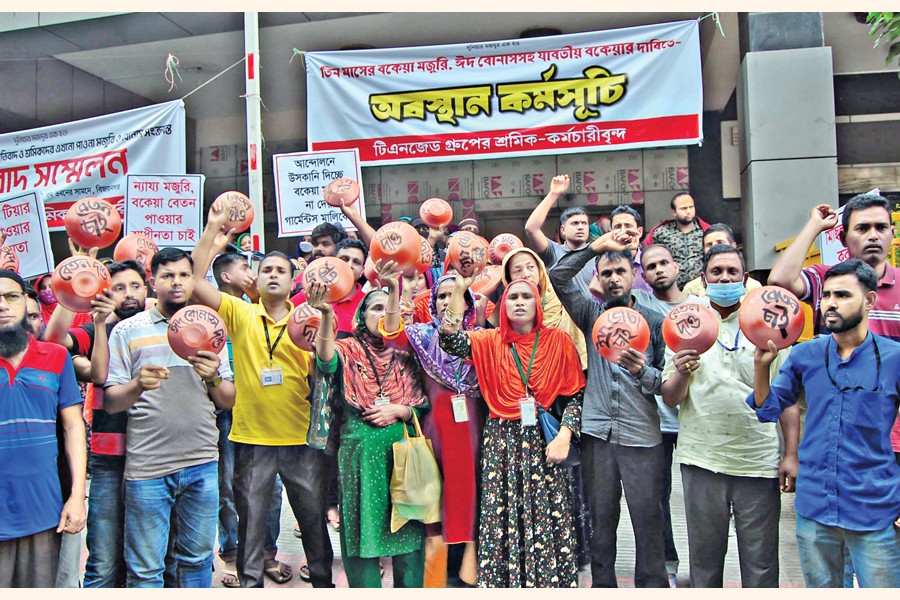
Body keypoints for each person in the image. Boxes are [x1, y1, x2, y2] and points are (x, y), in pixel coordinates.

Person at [190, 201, 334, 588]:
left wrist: (326, 314)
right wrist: (213, 230)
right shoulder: (240, 312)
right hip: (251, 440)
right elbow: (195, 280)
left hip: (301, 439)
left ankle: (324, 584)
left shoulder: (309, 316)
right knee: (251, 527)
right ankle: (251, 587)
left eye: (280, 270)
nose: (273, 275)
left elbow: (326, 359)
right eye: (266, 269)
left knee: (313, 524)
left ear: (293, 280)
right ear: (255, 277)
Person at [748, 259, 900, 587]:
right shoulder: (807, 355)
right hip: (815, 503)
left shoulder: (893, 358)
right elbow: (768, 409)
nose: (830, 303)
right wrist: (761, 368)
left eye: (842, 295)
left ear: (870, 301)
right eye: (827, 295)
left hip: (873, 506)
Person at [660, 244, 800, 588]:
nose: (725, 278)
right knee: (705, 567)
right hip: (701, 461)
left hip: (757, 461)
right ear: (704, 280)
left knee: (762, 565)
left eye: (732, 272)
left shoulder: (771, 323)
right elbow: (670, 397)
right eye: (717, 273)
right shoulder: (683, 325)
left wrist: (791, 455)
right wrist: (681, 372)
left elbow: (789, 401)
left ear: (745, 278)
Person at [439, 276, 586, 587]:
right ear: (503, 306)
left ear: (537, 303)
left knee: (546, 516)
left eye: (526, 296)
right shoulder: (488, 341)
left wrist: (565, 435)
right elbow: (449, 338)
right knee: (500, 517)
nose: (519, 302)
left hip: (544, 442)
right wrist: (460, 290)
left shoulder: (558, 341)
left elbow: (575, 396)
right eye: (512, 297)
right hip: (501, 441)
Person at [104, 248, 235, 588]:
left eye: (183, 275)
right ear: (153, 281)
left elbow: (228, 399)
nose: (176, 283)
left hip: (202, 463)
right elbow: (112, 402)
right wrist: (137, 385)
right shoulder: (127, 330)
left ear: (194, 280)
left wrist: (213, 377)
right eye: (167, 276)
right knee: (146, 570)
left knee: (197, 561)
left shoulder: (212, 328)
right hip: (147, 467)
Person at [548, 230, 669, 588]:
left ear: (634, 275)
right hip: (598, 435)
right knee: (601, 522)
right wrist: (593, 249)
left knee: (649, 521)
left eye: (620, 272)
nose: (614, 279)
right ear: (598, 279)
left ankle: (653, 588)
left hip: (642, 436)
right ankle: (603, 588)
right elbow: (558, 276)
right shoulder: (589, 313)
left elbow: (667, 382)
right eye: (606, 273)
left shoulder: (655, 322)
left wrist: (642, 371)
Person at [767, 192, 900, 510]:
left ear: (891, 234)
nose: (873, 235)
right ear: (843, 237)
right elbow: (781, 279)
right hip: (834, 437)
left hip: (891, 443)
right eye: (862, 228)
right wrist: (814, 225)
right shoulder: (829, 283)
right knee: (835, 540)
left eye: (881, 227)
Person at [307, 260, 429, 588]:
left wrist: (402, 411)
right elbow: (325, 361)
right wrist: (328, 316)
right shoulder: (347, 349)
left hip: (404, 456)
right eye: (373, 308)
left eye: (386, 307)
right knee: (361, 531)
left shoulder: (411, 354)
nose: (380, 314)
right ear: (361, 316)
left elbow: (426, 405)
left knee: (408, 532)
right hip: (360, 456)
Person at [389, 273, 484, 587]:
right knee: (433, 502)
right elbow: (391, 335)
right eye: (441, 296)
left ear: (467, 302)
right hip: (432, 429)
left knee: (468, 495)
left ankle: (468, 577)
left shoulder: (481, 339)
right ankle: (435, 580)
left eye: (455, 295)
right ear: (431, 302)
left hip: (471, 429)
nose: (447, 301)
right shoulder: (420, 335)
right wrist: (394, 290)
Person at [0, 269, 87, 588]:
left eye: (10, 297)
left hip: (44, 511)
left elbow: (73, 427)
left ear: (25, 303)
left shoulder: (56, 357)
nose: (2, 306)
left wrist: (77, 496)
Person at [211, 252, 291, 587]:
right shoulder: (215, 310)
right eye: (248, 269)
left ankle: (266, 553)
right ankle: (231, 553)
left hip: (265, 411)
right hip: (225, 408)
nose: (253, 274)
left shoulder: (258, 309)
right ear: (225, 276)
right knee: (230, 485)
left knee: (270, 489)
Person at [632, 243, 708, 586]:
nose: (659, 269)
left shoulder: (700, 308)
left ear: (677, 267)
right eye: (651, 266)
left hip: (695, 418)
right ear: (643, 276)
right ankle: (668, 565)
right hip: (657, 420)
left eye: (664, 263)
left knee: (701, 501)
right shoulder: (640, 305)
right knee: (657, 498)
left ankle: (704, 568)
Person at [525, 174, 594, 292]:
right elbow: (531, 228)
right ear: (563, 230)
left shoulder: (596, 255)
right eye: (575, 223)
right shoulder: (554, 252)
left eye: (584, 223)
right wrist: (553, 194)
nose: (580, 227)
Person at [291, 237, 368, 337]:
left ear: (362, 271)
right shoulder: (309, 294)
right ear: (333, 262)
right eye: (344, 259)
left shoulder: (367, 303)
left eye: (356, 262)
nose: (349, 265)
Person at [643, 192, 711, 290]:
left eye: (691, 207)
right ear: (674, 212)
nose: (688, 211)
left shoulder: (705, 231)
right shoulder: (662, 232)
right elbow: (647, 254)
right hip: (671, 290)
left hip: (701, 289)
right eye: (683, 208)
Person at [682, 223, 762, 298]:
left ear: (733, 246)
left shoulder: (753, 288)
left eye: (720, 243)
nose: (714, 247)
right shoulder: (691, 289)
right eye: (709, 245)